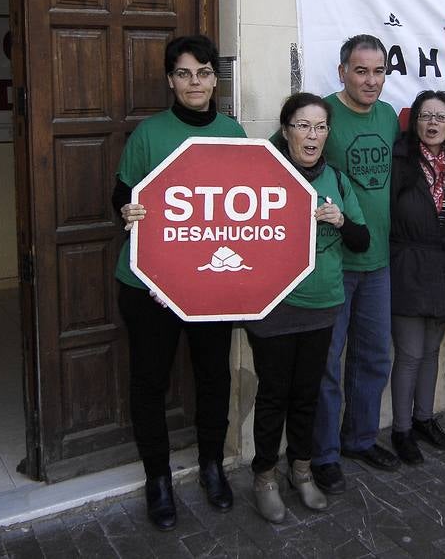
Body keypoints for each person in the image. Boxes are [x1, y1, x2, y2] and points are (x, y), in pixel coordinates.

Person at [112, 35, 244, 530]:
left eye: (204, 72)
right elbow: (121, 198)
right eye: (185, 73)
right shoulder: (148, 135)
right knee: (150, 380)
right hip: (148, 285)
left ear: (215, 78)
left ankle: (212, 466)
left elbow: (247, 209)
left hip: (211, 282)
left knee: (213, 376)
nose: (195, 82)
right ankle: (158, 479)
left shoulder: (233, 134)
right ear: (171, 79)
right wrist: (127, 213)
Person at [246, 93, 369, 523]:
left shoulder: (336, 179)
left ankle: (301, 471)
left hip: (323, 305)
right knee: (274, 394)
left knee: (307, 395)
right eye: (302, 125)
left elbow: (361, 240)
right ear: (286, 130)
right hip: (274, 307)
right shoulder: (264, 176)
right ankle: (263, 476)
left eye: (319, 127)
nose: (311, 135)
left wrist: (340, 220)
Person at [311, 35, 400, 493]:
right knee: (327, 363)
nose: (370, 80)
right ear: (343, 70)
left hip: (379, 261)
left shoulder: (388, 117)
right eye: (361, 70)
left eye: (378, 71)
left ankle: (360, 439)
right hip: (332, 262)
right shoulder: (322, 114)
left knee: (374, 356)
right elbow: (281, 161)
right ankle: (323, 454)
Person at [387, 91, 445, 464]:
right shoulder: (399, 160)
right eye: (425, 116)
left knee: (432, 351)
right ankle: (401, 430)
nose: (433, 123)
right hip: (407, 265)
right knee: (409, 353)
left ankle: (424, 419)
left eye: (441, 117)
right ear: (414, 121)